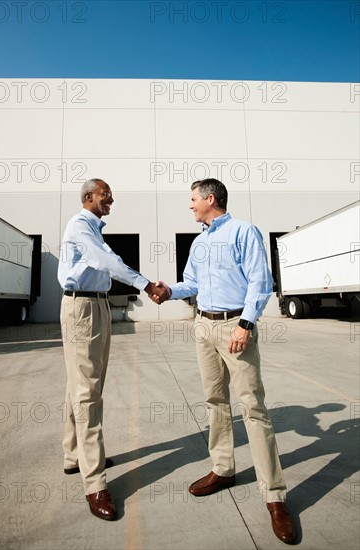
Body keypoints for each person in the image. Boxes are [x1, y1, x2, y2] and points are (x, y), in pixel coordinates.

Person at [152, 178, 296, 544]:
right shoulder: (199, 243)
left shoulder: (244, 232)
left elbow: (260, 283)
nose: (190, 206)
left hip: (235, 326)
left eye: (192, 200)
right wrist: (170, 291)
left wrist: (246, 324)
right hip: (204, 326)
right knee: (215, 402)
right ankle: (223, 469)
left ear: (209, 199)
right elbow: (192, 285)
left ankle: (274, 495)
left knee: (253, 407)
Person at [57, 178, 167, 521]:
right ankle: (95, 483)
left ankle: (74, 455)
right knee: (87, 391)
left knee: (82, 384)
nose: (111, 200)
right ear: (89, 197)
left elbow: (103, 262)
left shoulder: (93, 227)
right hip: (82, 309)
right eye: (106, 195)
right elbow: (107, 261)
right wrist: (146, 284)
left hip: (97, 306)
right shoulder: (80, 227)